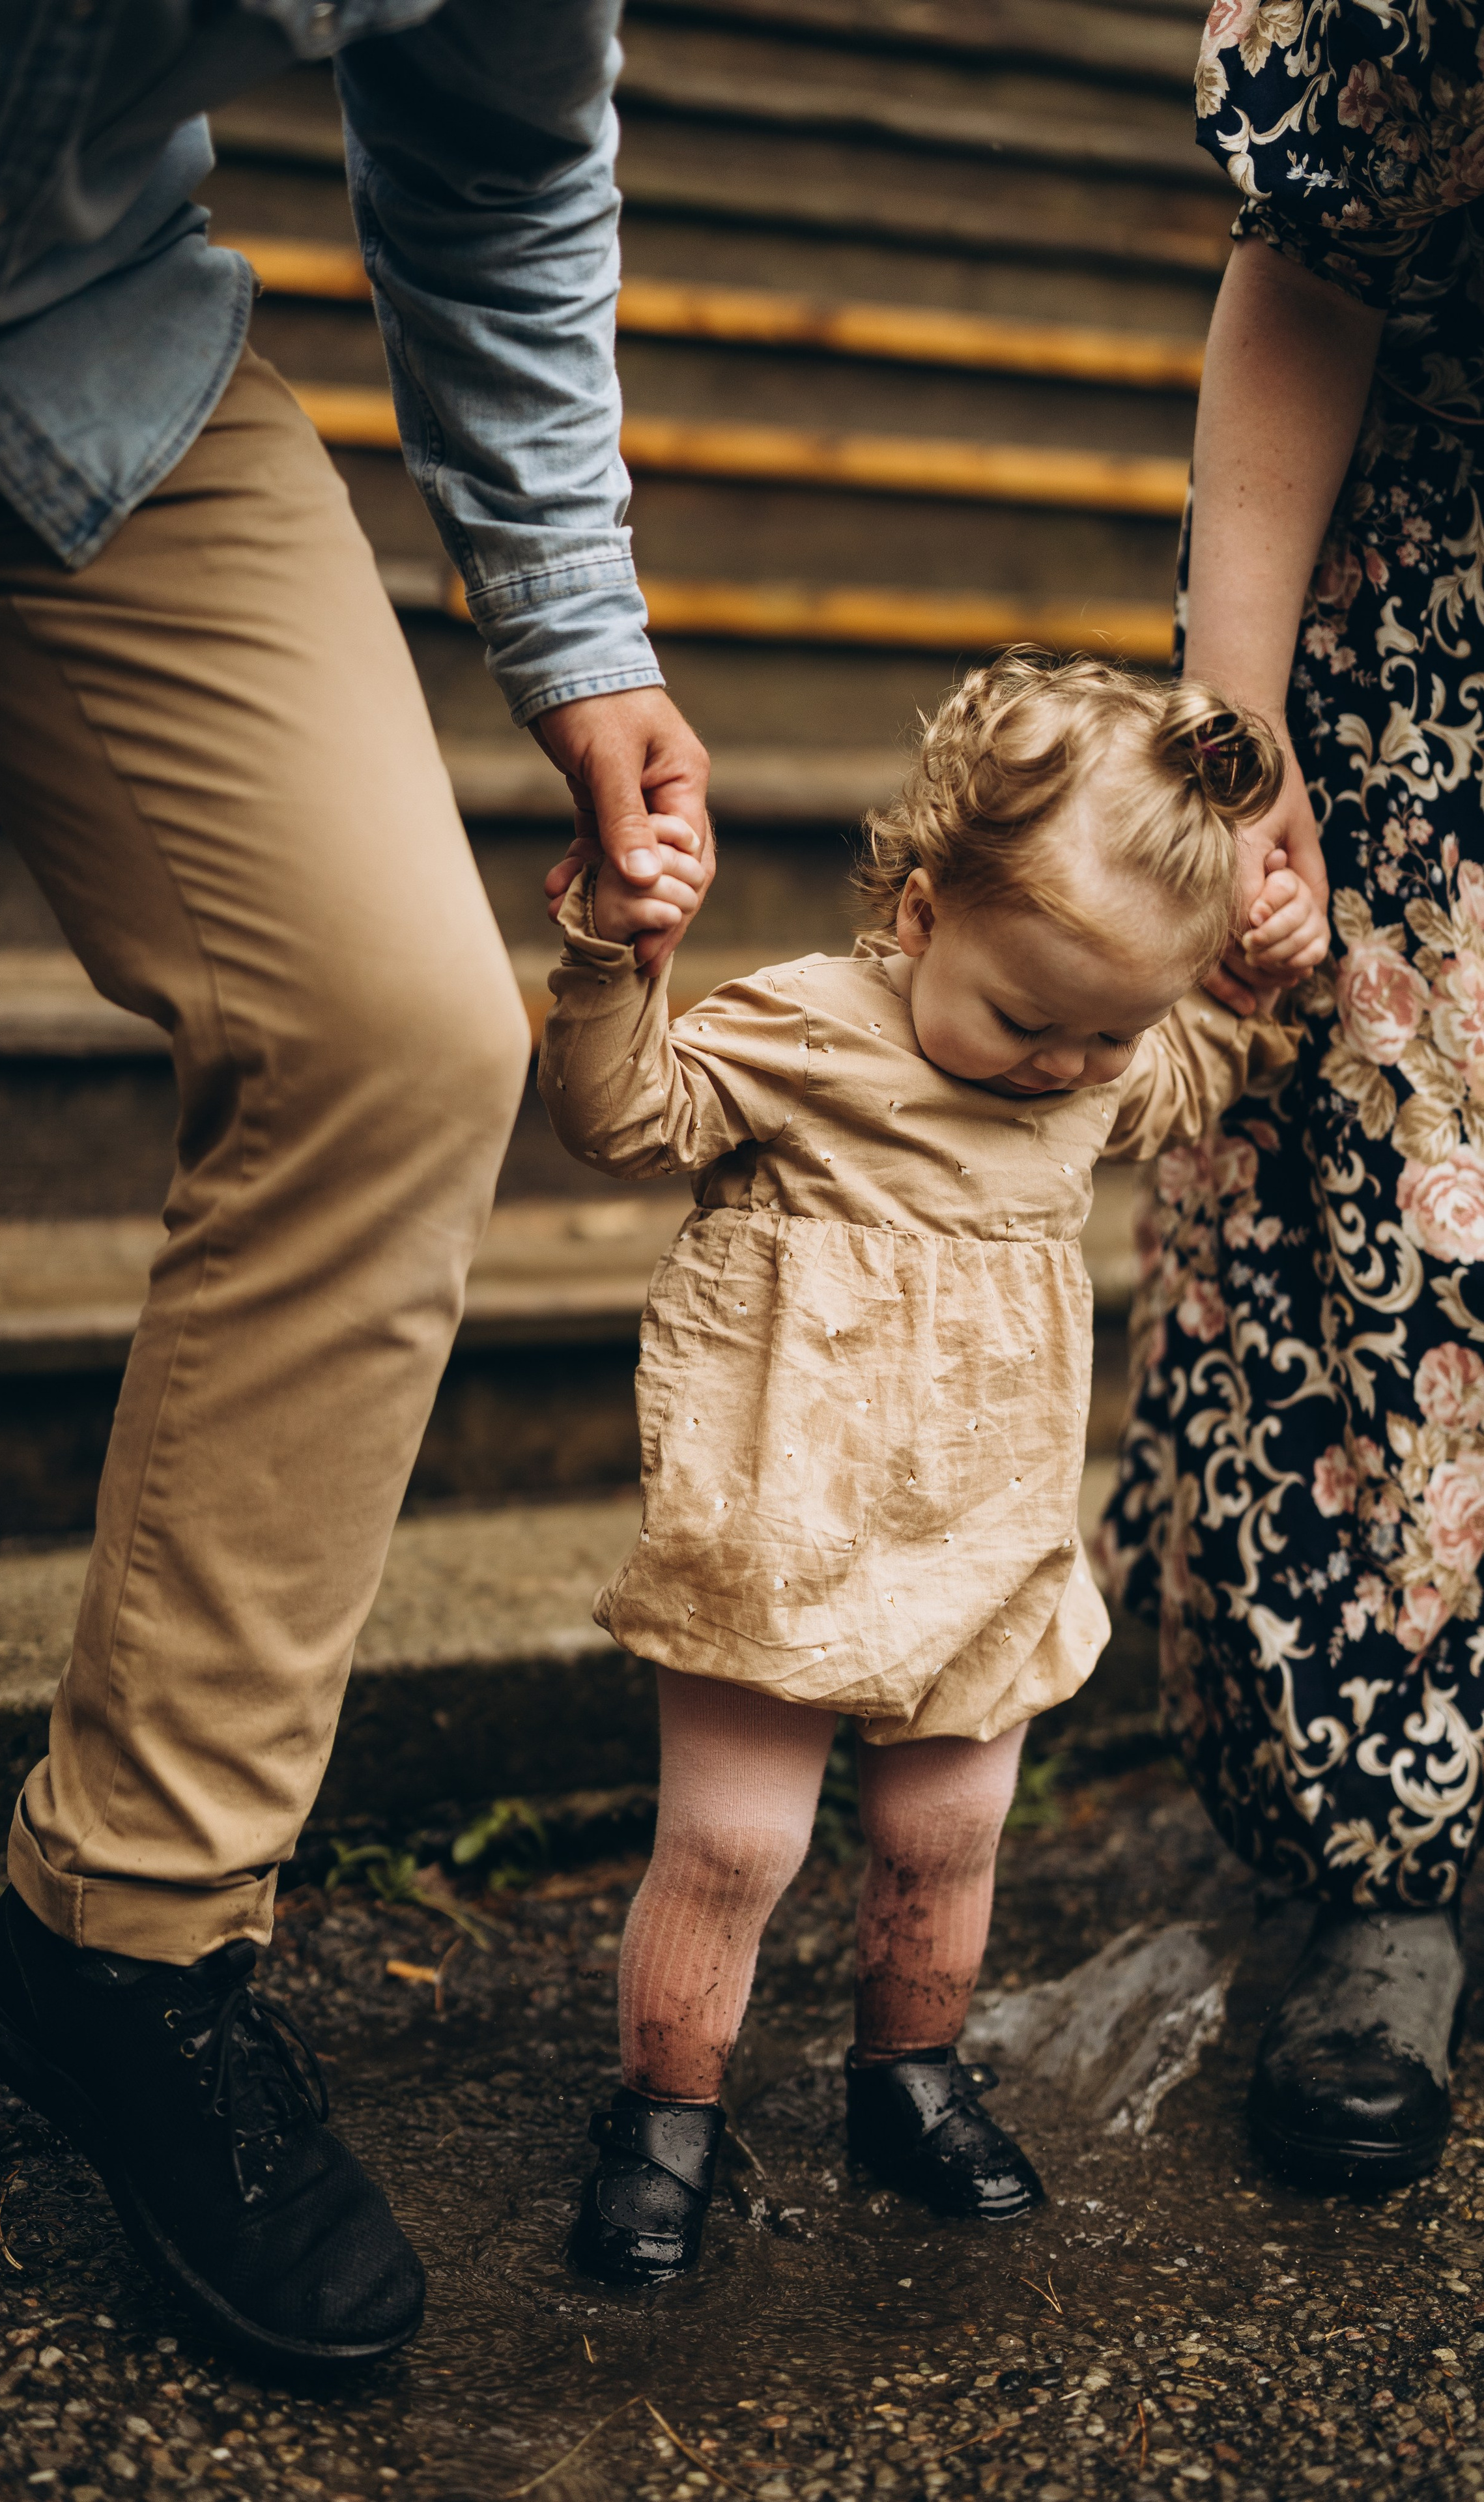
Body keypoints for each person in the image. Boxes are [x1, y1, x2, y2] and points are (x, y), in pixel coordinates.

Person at [0, 1, 713, 2369]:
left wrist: (578, 625)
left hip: (67, 339)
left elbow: (502, 155)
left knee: (396, 1027)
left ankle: (125, 1934)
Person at [535, 655, 1323, 2285]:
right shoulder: (804, 1030)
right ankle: (663, 2117)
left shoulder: (1103, 1067)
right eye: (1027, 1020)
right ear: (916, 914)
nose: (1061, 1065)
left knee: (951, 1832)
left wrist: (1248, 990)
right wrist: (617, 965)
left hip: (983, 1529)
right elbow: (623, 1119)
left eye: (1103, 1033)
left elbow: (1194, 1070)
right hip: (782, 1521)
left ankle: (906, 2077)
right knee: (734, 1846)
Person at [1102, 0, 1484, 2195]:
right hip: (1435, 639)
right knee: (1390, 1225)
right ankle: (1385, 1859)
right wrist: (1238, 750)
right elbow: (1315, 261)